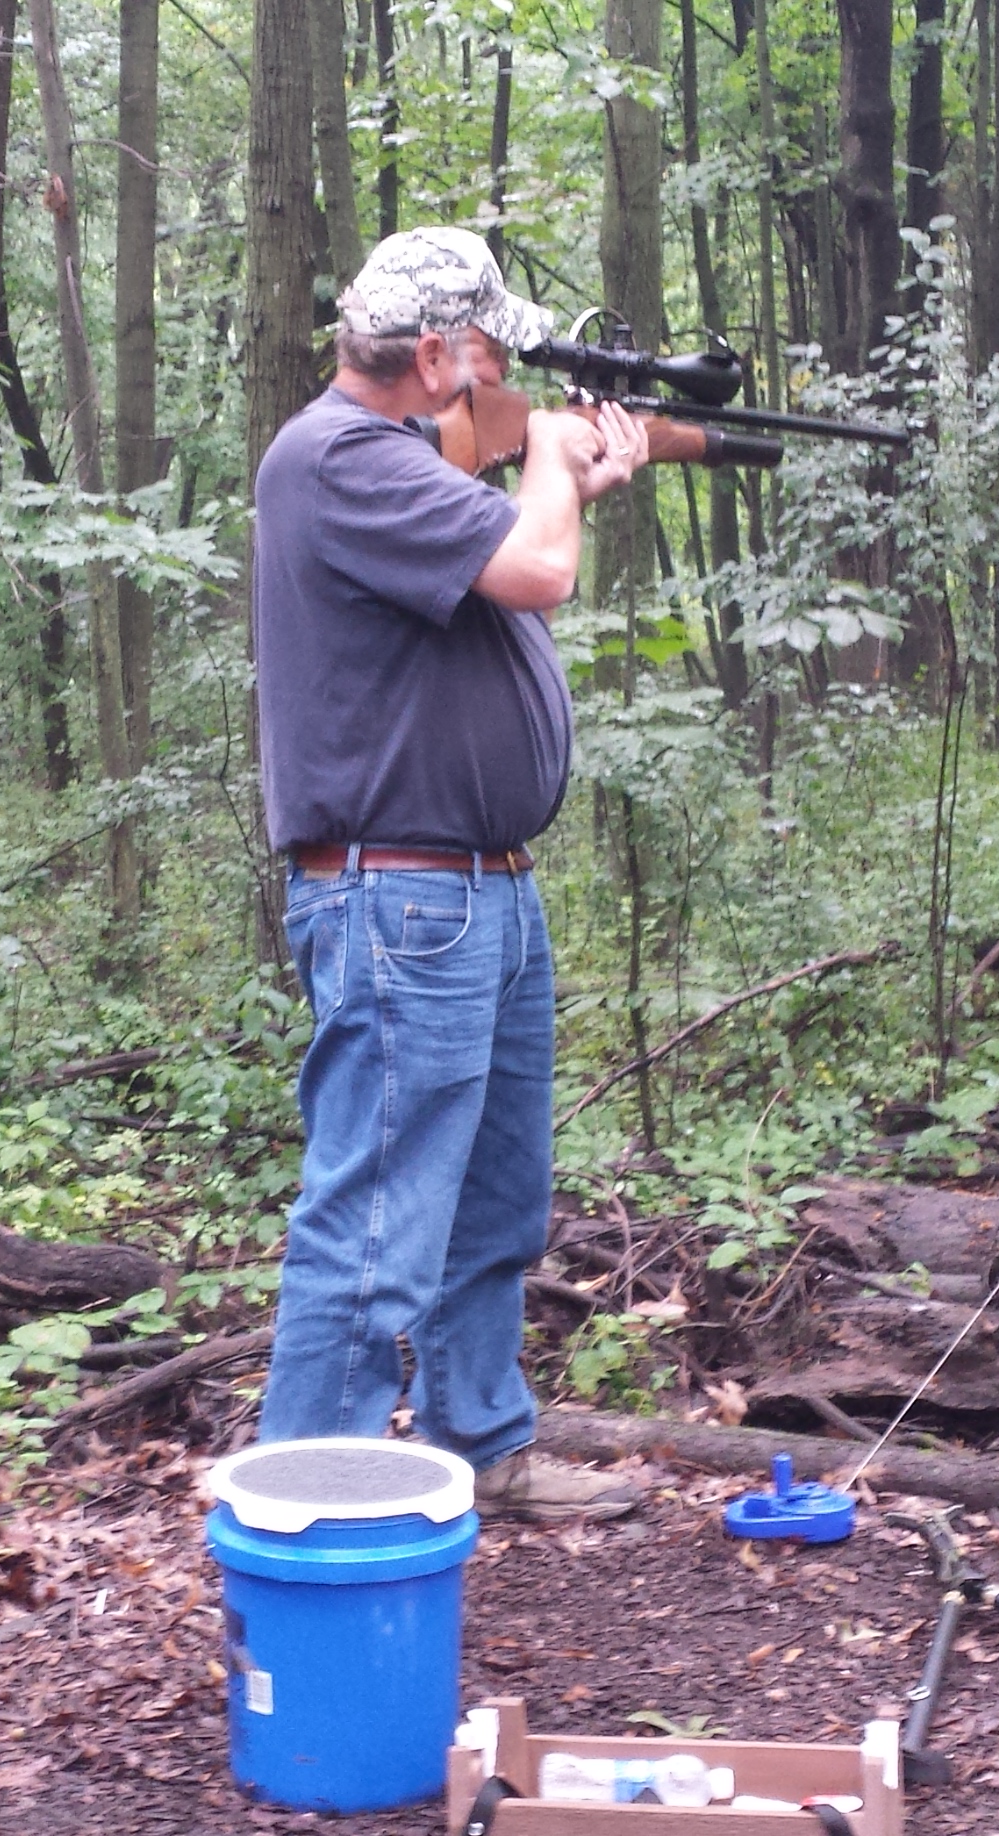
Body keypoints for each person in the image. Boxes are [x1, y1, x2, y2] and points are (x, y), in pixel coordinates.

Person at [249, 228, 653, 1524]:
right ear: (431, 356)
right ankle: (312, 1516)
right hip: (403, 900)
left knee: (494, 1204)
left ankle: (482, 1443)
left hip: (478, 892)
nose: (498, 377)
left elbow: (513, 549)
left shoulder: (407, 464)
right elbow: (538, 570)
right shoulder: (340, 459)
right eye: (483, 353)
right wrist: (553, 465)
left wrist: (567, 474)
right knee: (374, 1225)